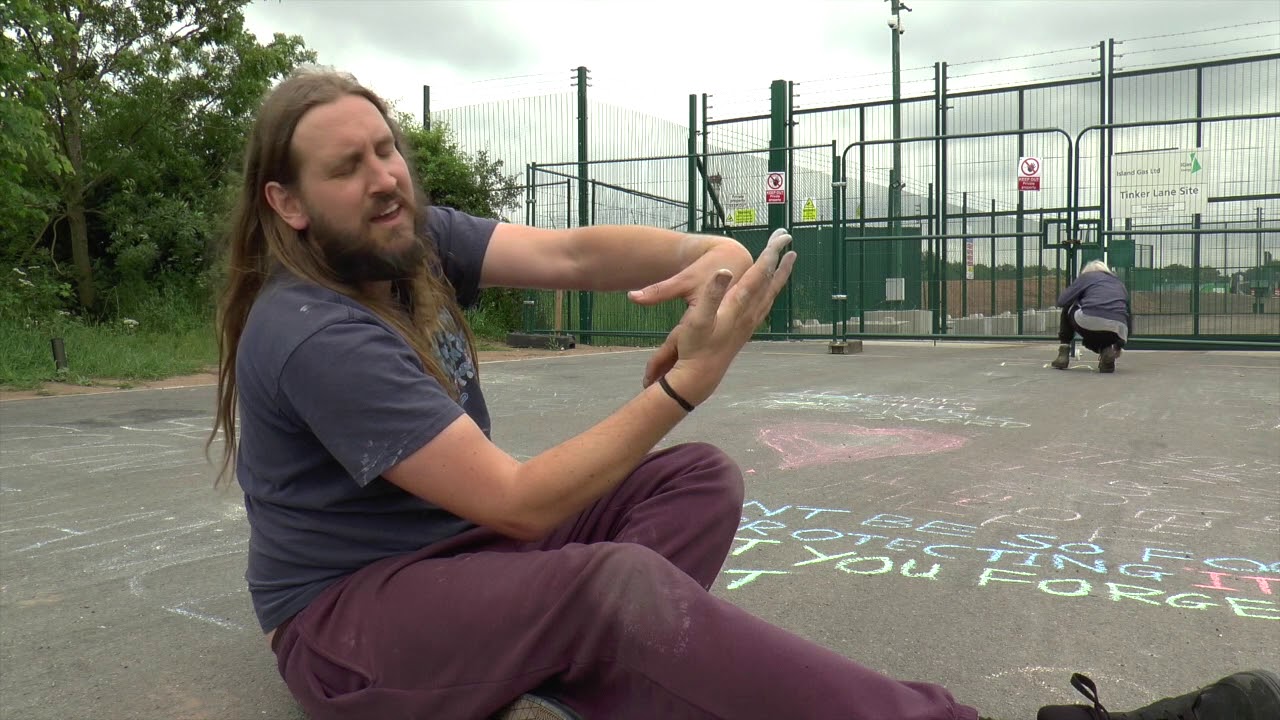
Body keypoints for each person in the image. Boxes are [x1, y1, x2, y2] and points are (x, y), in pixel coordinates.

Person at [208, 68, 1279, 720]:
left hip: (462, 568)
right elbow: (520, 503)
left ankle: (580, 674)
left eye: (386, 147)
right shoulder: (311, 331)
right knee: (609, 582)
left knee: (693, 486)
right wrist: (680, 387)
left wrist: (706, 247)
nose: (386, 175)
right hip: (354, 632)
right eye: (348, 166)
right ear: (289, 204)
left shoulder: (414, 240)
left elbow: (577, 251)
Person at [1051, 260, 1132, 373]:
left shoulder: (1086, 277)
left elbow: (1062, 301)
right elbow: (1128, 314)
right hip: (1119, 328)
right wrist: (1119, 346)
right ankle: (1107, 351)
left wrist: (1078, 297)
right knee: (1101, 334)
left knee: (1069, 306)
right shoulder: (1118, 283)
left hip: (1090, 320)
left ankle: (1063, 353)